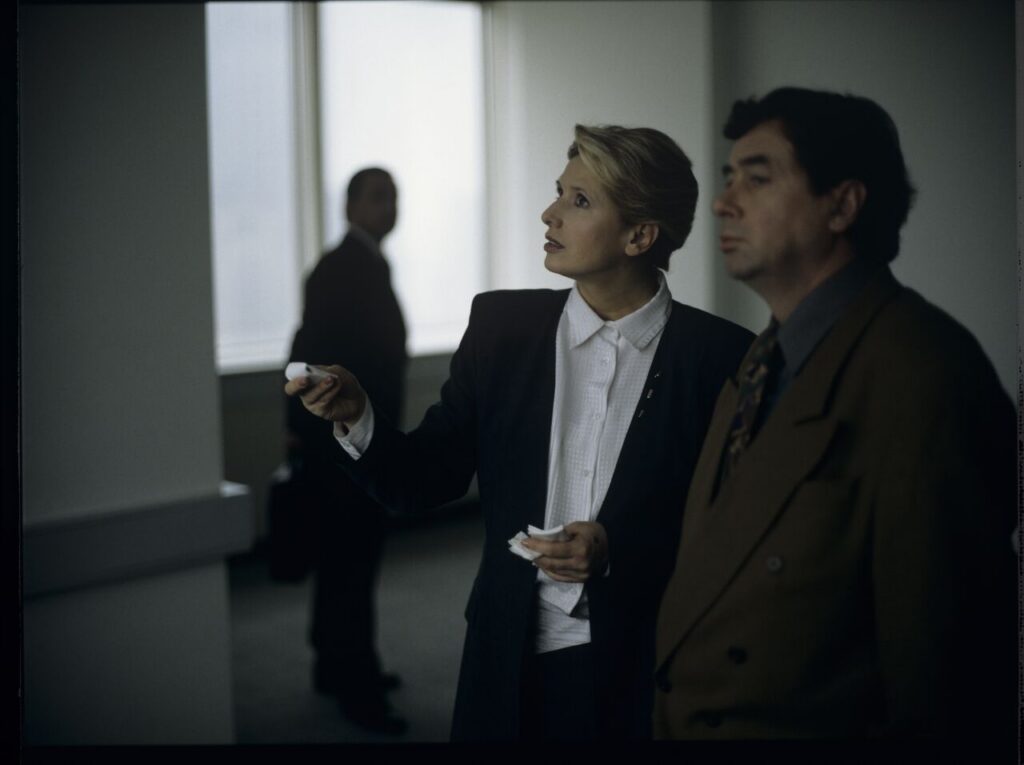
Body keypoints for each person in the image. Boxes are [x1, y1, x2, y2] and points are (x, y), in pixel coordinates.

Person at [285, 125, 754, 741]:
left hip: (648, 667)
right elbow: (427, 476)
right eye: (560, 191)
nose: (549, 212)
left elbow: (736, 535)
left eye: (579, 201)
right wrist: (356, 414)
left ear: (640, 235)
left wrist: (620, 549)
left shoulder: (724, 359)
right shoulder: (500, 328)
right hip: (503, 655)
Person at [652, 88, 1017, 751]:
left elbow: (946, 677)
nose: (723, 201)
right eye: (729, 176)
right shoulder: (763, 357)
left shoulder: (924, 374)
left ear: (843, 204)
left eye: (756, 179)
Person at [284, 167, 408, 735]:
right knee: (351, 564)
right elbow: (309, 352)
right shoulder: (341, 269)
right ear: (351, 206)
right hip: (343, 446)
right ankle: (356, 684)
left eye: (395, 198)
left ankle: (334, 665)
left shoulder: (361, 265)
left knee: (343, 564)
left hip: (351, 440)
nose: (391, 208)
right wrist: (318, 438)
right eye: (379, 197)